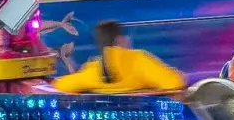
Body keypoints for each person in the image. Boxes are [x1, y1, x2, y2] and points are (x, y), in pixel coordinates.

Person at [54, 21, 186, 94]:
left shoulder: (94, 69)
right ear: (120, 39)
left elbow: (63, 86)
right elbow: (174, 83)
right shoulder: (139, 60)